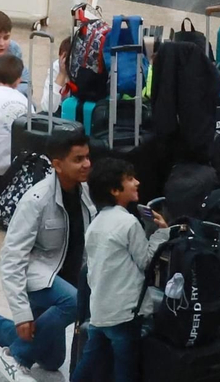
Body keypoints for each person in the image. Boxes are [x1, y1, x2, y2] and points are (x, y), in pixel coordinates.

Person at [0, 131, 93, 382]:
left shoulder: (86, 193)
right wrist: (21, 313)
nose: (87, 164)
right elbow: (12, 258)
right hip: (37, 278)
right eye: (78, 159)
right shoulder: (36, 200)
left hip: (62, 282)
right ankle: (15, 357)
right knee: (76, 301)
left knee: (52, 360)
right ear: (57, 164)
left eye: (87, 157)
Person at [68, 159, 168, 381]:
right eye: (130, 179)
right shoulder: (128, 223)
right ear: (115, 190)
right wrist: (162, 232)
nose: (137, 182)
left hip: (100, 311)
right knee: (125, 370)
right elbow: (146, 262)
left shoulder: (95, 224)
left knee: (89, 363)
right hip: (125, 313)